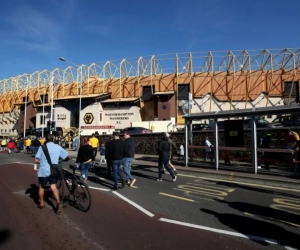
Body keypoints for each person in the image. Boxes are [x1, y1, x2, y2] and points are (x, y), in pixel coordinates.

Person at [34, 134, 70, 214]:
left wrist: (41, 161)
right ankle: (58, 202)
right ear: (53, 139)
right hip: (54, 170)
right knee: (53, 186)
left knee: (41, 187)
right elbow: (68, 156)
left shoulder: (42, 147)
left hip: (44, 170)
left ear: (45, 140)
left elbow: (36, 160)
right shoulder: (57, 147)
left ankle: (41, 204)